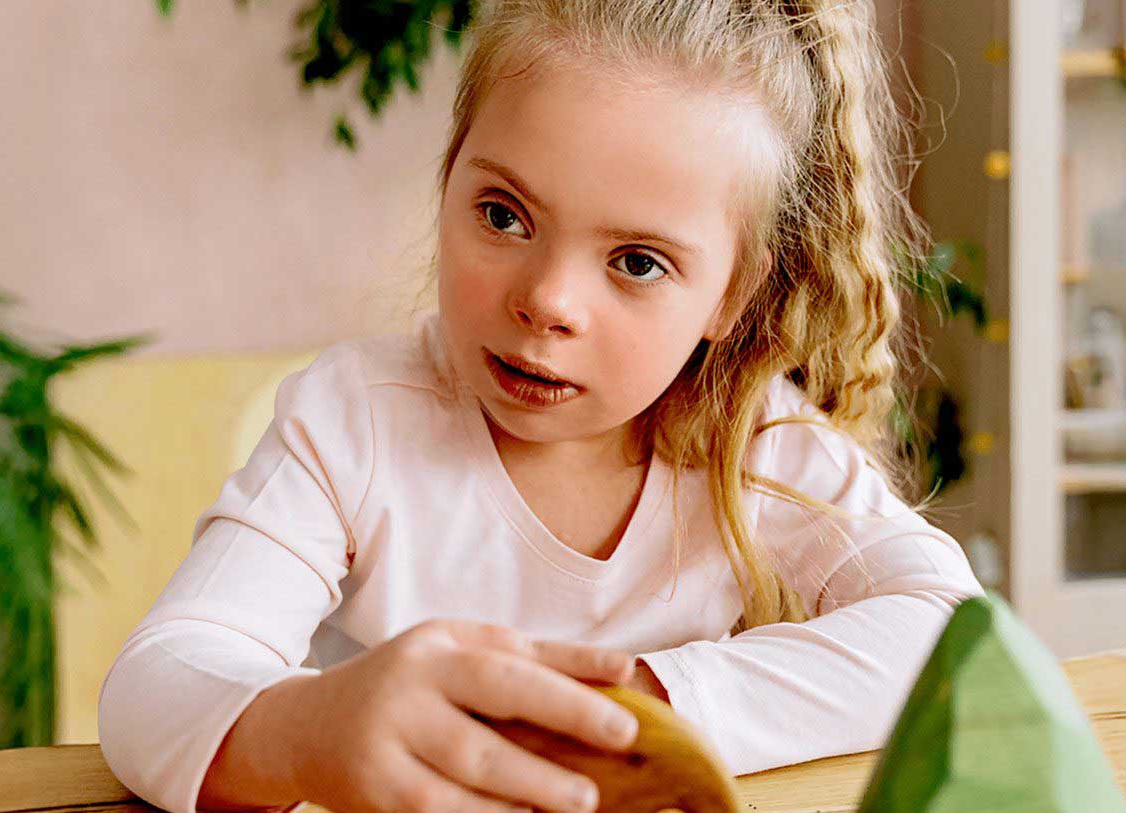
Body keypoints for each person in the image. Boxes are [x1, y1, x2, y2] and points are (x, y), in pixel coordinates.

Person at [97, 1, 985, 811]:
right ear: (448, 180)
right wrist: (309, 730)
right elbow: (156, 682)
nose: (547, 300)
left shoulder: (755, 445)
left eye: (637, 262)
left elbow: (952, 628)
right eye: (503, 215)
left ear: (732, 295)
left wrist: (634, 707)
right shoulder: (354, 420)